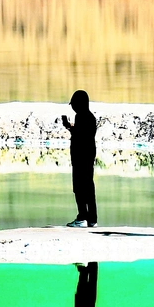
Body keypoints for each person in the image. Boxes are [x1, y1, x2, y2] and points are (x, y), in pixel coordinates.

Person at [62, 90, 97, 228]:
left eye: (74, 104)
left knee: (79, 188)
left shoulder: (81, 117)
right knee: (89, 188)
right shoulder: (89, 117)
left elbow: (81, 136)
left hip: (81, 158)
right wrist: (70, 127)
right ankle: (92, 219)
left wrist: (70, 127)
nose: (73, 107)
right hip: (88, 157)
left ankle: (82, 217)